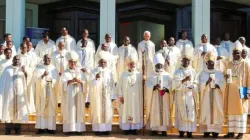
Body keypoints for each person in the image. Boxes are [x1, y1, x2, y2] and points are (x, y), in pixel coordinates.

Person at [224, 41, 250, 139]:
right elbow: (225, 75)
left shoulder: (245, 64)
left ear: (240, 54)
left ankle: (240, 133)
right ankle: (231, 132)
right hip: (231, 91)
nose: (236, 55)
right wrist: (226, 76)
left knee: (241, 112)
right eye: (235, 53)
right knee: (231, 112)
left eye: (238, 53)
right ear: (232, 54)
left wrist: (248, 92)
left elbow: (249, 78)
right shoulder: (229, 64)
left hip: (241, 91)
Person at [59, 51, 87, 135]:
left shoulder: (80, 72)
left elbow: (85, 83)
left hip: (78, 94)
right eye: (71, 62)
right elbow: (61, 84)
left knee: (78, 111)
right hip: (69, 95)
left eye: (74, 62)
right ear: (68, 63)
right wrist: (70, 81)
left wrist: (80, 81)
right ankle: (69, 129)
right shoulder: (65, 72)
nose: (73, 63)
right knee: (70, 111)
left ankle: (78, 130)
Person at [0, 55, 29, 135]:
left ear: (20, 61)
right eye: (15, 59)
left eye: (18, 60)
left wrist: (25, 72)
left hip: (19, 94)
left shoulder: (22, 69)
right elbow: (2, 82)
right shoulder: (7, 69)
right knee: (8, 111)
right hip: (9, 94)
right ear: (12, 60)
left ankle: (17, 129)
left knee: (19, 111)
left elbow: (26, 81)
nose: (17, 61)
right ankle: (8, 129)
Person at [172, 50, 198, 138]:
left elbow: (196, 82)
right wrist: (184, 80)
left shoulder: (193, 71)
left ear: (189, 61)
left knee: (190, 111)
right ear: (182, 61)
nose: (186, 62)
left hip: (190, 94)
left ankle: (190, 132)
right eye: (184, 60)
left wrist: (193, 86)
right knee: (181, 111)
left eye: (188, 60)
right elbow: (175, 84)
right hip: (181, 95)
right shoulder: (177, 71)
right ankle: (182, 131)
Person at [199, 52, 225, 138]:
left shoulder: (219, 73)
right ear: (206, 63)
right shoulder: (203, 73)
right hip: (206, 95)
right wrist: (206, 82)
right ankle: (206, 130)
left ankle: (215, 131)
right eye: (209, 62)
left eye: (212, 62)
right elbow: (199, 84)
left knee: (216, 111)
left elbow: (223, 83)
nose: (211, 63)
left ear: (214, 62)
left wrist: (218, 85)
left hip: (216, 95)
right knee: (206, 110)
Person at [89, 51, 116, 135]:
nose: (103, 63)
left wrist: (113, 95)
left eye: (104, 62)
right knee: (97, 111)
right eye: (101, 62)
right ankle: (97, 130)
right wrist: (96, 79)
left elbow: (112, 84)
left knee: (107, 112)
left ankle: (106, 129)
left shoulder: (109, 72)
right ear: (98, 62)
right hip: (97, 95)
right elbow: (91, 83)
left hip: (107, 95)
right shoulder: (94, 71)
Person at [145, 53, 172, 136]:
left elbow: (171, 85)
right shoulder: (151, 75)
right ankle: (154, 129)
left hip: (164, 96)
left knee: (164, 111)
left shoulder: (167, 75)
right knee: (154, 111)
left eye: (161, 65)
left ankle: (164, 130)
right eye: (158, 65)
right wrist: (153, 87)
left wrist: (166, 88)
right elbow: (147, 85)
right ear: (155, 65)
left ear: (163, 65)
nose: (159, 67)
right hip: (155, 98)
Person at [116, 54, 143, 135]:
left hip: (135, 98)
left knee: (135, 111)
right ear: (128, 65)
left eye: (133, 63)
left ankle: (134, 129)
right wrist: (120, 96)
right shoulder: (123, 74)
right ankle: (126, 129)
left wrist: (144, 80)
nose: (132, 65)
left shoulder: (139, 74)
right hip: (126, 98)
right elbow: (119, 86)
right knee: (126, 112)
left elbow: (143, 87)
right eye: (130, 64)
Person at [34, 54, 59, 134]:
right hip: (42, 90)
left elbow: (57, 80)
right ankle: (41, 128)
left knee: (51, 108)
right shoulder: (38, 68)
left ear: (50, 59)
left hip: (51, 89)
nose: (47, 59)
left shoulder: (54, 69)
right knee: (42, 107)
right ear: (43, 59)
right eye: (46, 58)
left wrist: (52, 81)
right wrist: (43, 76)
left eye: (49, 58)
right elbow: (35, 80)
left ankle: (50, 128)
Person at [19, 43, 36, 113]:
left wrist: (25, 69)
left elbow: (32, 68)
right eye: (23, 48)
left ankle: (29, 109)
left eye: (25, 48)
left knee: (29, 93)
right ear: (20, 48)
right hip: (19, 77)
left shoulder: (30, 57)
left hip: (28, 77)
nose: (24, 49)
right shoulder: (17, 57)